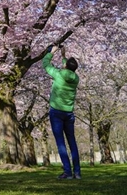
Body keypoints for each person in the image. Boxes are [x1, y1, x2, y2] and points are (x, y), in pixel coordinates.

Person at [42, 44, 81, 180]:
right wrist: (63, 57)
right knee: (72, 142)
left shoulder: (58, 75)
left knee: (61, 143)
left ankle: (67, 172)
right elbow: (68, 70)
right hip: (69, 114)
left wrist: (51, 53)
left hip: (57, 113)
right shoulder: (75, 79)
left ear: (65, 67)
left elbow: (45, 64)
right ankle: (77, 173)